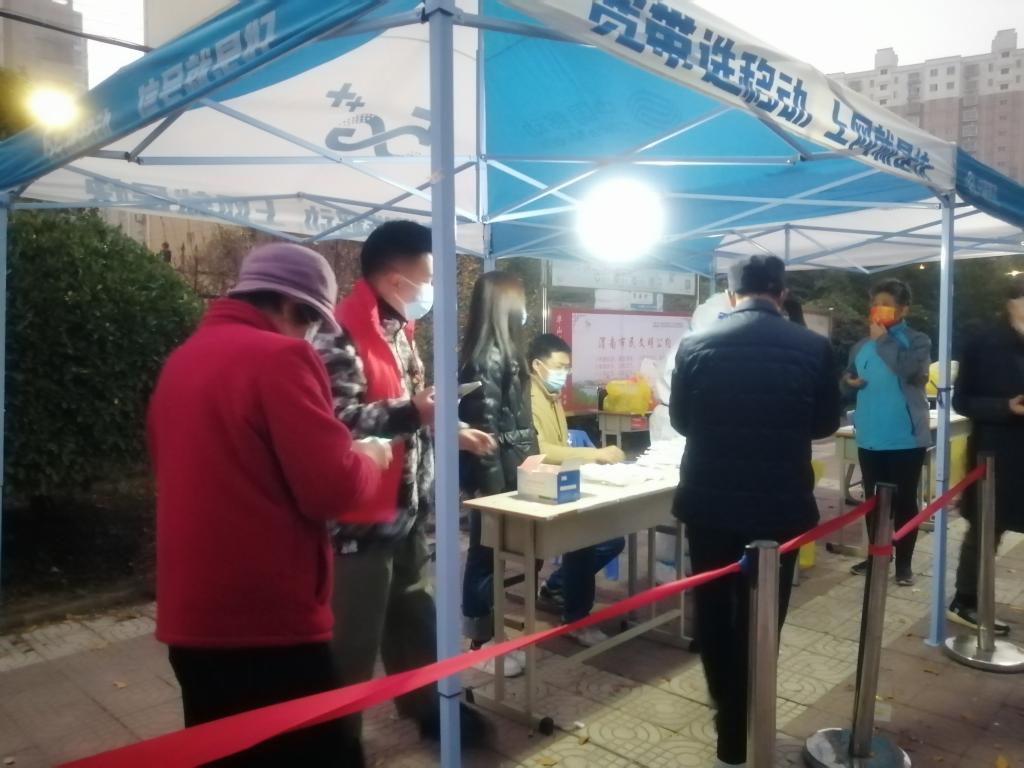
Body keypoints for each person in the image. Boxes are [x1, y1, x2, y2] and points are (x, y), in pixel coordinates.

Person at [148, 243, 390, 768]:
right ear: (289, 305)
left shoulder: (181, 360)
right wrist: (368, 457)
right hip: (267, 618)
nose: (310, 335)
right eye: (310, 321)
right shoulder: (282, 358)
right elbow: (331, 489)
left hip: (191, 617)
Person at [314, 221, 494, 747]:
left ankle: (432, 711)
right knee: (352, 642)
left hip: (407, 511)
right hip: (359, 523)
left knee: (414, 619)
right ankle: (335, 744)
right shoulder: (339, 333)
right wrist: (415, 409)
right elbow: (335, 423)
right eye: (428, 278)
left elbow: (410, 410)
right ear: (396, 279)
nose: (431, 290)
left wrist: (450, 430)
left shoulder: (398, 330)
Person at [670, 255, 839, 768]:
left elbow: (681, 421)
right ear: (781, 294)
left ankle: (729, 728)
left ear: (731, 295)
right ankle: (752, 714)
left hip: (709, 503)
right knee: (764, 617)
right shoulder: (814, 347)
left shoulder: (695, 344)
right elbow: (824, 423)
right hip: (778, 506)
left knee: (714, 613)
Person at [460, 271, 538, 675]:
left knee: (501, 556)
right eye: (520, 300)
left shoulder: (506, 354)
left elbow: (519, 426)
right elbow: (484, 431)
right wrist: (493, 495)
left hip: (515, 474)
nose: (525, 309)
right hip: (496, 483)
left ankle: (493, 635)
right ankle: (482, 643)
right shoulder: (486, 358)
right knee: (485, 556)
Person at [527, 333, 626, 646]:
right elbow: (541, 449)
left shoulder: (550, 395)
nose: (564, 374)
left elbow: (559, 444)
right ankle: (576, 619)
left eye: (567, 368)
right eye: (559, 366)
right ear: (537, 365)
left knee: (609, 540)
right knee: (588, 541)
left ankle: (557, 586)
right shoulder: (529, 397)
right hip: (538, 487)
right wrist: (594, 455)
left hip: (560, 483)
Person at [948, 275, 1024, 634]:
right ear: (1012, 302)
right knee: (986, 529)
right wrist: (1005, 406)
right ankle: (965, 601)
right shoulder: (983, 342)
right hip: (997, 455)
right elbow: (962, 401)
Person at [843, 280, 931, 587]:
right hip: (870, 435)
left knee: (904, 502)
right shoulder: (861, 344)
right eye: (875, 303)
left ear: (903, 309)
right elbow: (848, 377)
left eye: (887, 305)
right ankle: (877, 556)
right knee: (874, 502)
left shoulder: (917, 340)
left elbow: (911, 372)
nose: (878, 310)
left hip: (905, 437)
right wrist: (848, 381)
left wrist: (883, 341)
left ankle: (904, 564)